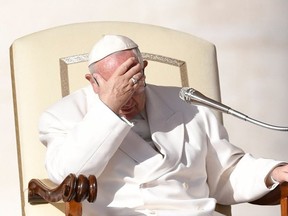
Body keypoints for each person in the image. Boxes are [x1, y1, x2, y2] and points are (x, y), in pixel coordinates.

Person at [39, 34, 288, 216]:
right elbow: (67, 175)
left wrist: (272, 172)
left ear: (144, 69)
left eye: (133, 83)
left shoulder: (187, 105)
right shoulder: (63, 115)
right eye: (116, 86)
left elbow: (225, 172)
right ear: (92, 82)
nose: (126, 96)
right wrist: (108, 107)